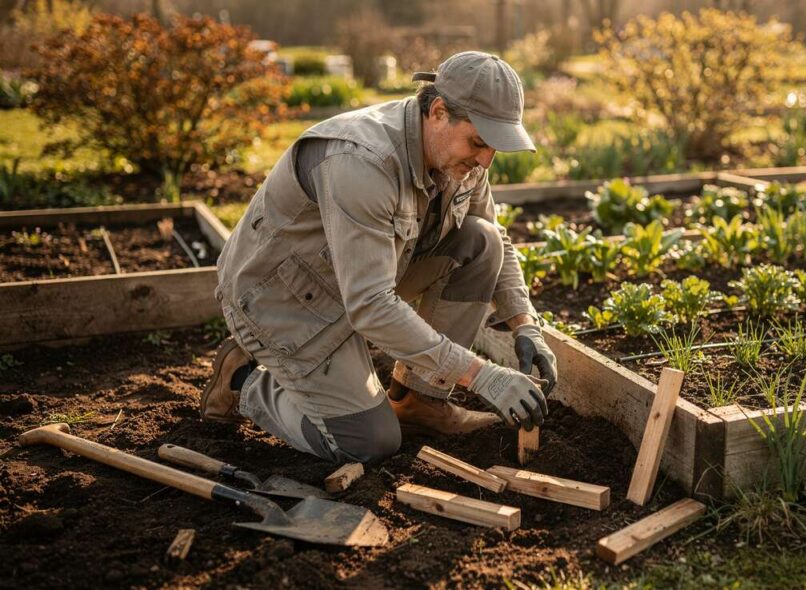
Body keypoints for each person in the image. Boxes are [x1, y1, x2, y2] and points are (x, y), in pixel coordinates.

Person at [199, 51, 558, 465]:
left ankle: (421, 403)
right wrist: (481, 376)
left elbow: (497, 239)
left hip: (356, 281)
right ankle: (243, 381)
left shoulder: (459, 158)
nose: (486, 160)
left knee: (482, 241)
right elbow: (370, 305)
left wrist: (525, 325)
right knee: (368, 443)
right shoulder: (362, 163)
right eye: (479, 142)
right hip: (280, 301)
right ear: (438, 112)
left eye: (494, 147)